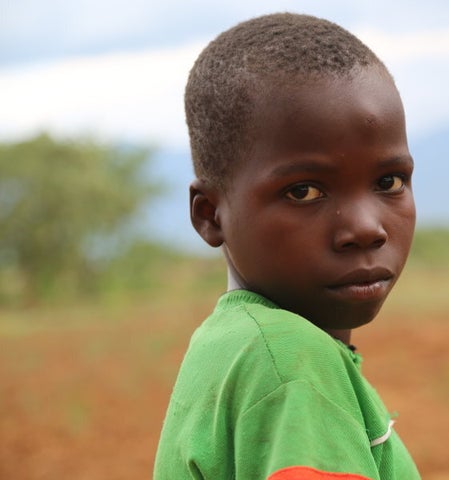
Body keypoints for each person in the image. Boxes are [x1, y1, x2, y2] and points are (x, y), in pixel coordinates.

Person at [154, 12, 420, 480]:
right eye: (304, 191)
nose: (365, 228)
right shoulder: (290, 363)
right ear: (210, 215)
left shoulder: (229, 344)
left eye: (388, 180)